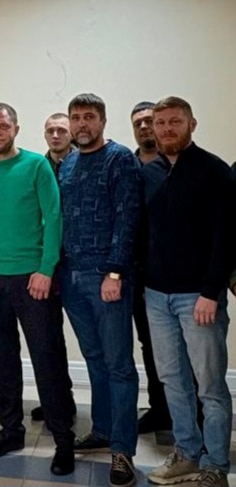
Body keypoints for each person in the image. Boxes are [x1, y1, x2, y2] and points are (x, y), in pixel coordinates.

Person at [0, 103, 75, 476]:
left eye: (4, 126)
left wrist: (45, 269)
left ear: (16, 129)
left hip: (33, 281)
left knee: (47, 360)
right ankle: (11, 431)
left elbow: (53, 217)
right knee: (2, 362)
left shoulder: (36, 166)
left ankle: (63, 439)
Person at [142, 97, 234, 487]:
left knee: (209, 386)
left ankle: (215, 465)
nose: (166, 129)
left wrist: (211, 292)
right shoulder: (151, 172)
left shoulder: (214, 171)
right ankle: (186, 454)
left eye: (174, 122)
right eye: (160, 122)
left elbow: (226, 238)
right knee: (173, 380)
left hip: (199, 298)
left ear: (191, 124)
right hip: (156, 296)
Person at [59, 93, 140, 487]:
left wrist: (115, 272)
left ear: (103, 121)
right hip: (71, 276)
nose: (81, 124)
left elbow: (128, 218)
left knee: (119, 364)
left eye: (89, 117)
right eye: (76, 117)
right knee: (93, 358)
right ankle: (103, 429)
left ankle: (122, 450)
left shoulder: (119, 159)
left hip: (106, 277)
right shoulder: (69, 162)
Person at [128, 101, 173, 438]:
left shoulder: (176, 165)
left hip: (175, 274)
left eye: (149, 121)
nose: (144, 127)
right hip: (136, 273)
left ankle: (191, 413)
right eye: (138, 123)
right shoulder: (126, 166)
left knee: (179, 346)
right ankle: (159, 409)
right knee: (148, 344)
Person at [29, 113, 78, 423]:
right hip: (44, 265)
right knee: (48, 340)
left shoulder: (83, 164)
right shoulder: (37, 167)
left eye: (62, 130)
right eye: (51, 130)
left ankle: (106, 411)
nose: (56, 135)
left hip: (78, 264)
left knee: (92, 343)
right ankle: (58, 401)